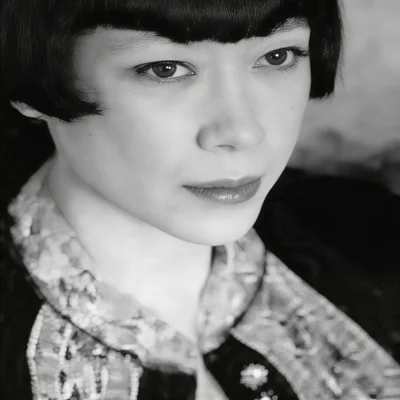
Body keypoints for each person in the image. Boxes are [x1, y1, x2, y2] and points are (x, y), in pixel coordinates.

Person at [0, 1, 399, 399]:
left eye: (277, 57)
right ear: (28, 73)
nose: (243, 132)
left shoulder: (370, 238)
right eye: (165, 69)